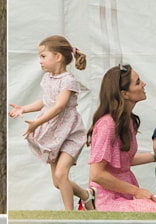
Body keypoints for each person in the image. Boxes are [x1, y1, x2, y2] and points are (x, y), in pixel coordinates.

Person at [86, 65, 156, 212]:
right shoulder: (107, 125)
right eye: (137, 82)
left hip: (125, 196)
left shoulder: (129, 121)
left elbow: (124, 161)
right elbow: (96, 175)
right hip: (109, 199)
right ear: (125, 94)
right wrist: (136, 191)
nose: (143, 84)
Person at [9, 35, 95, 211]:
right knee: (58, 181)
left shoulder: (68, 80)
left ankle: (68, 214)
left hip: (70, 133)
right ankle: (87, 195)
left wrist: (37, 123)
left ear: (58, 57)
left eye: (43, 56)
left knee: (61, 173)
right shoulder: (47, 78)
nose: (40, 61)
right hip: (54, 135)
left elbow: (59, 107)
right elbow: (46, 101)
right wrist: (24, 108)